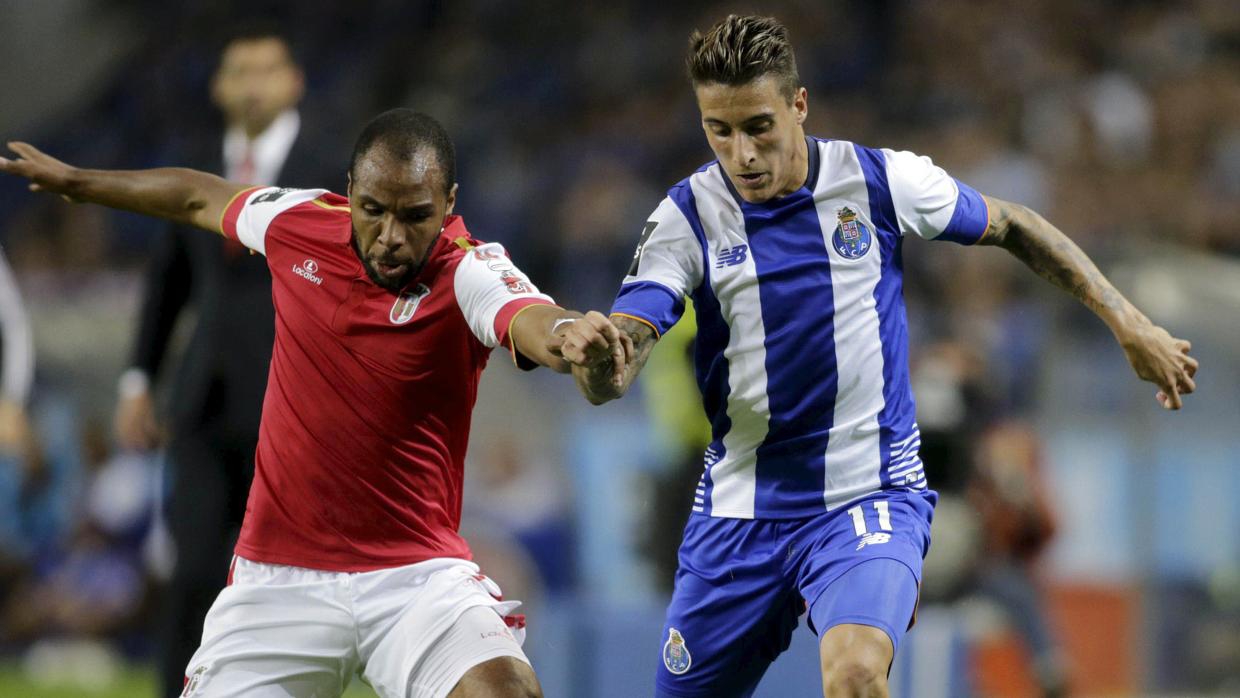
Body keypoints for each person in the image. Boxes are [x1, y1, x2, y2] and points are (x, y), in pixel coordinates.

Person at [554, 14, 1198, 698]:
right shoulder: (685, 218)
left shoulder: (880, 181)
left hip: (866, 495)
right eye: (719, 130)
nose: (741, 153)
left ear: (799, 106)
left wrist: (1127, 322)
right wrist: (601, 361)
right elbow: (623, 352)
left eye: (759, 126)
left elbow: (1013, 224)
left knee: (857, 676)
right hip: (739, 511)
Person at [0, 108, 625, 698]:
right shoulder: (300, 221)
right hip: (277, 583)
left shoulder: (469, 271)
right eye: (373, 210)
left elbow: (533, 319)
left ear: (450, 206)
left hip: (414, 579)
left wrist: (573, 340)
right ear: (348, 190)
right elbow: (197, 195)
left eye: (415, 216)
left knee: (505, 689)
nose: (389, 237)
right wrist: (82, 182)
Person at [111, 25, 345, 697]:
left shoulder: (332, 165)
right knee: (191, 572)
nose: (251, 84)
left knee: (289, 576)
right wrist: (138, 382)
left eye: (265, 70)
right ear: (217, 86)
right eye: (238, 71)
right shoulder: (194, 167)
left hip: (297, 408)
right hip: (202, 403)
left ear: (293, 80)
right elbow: (167, 287)